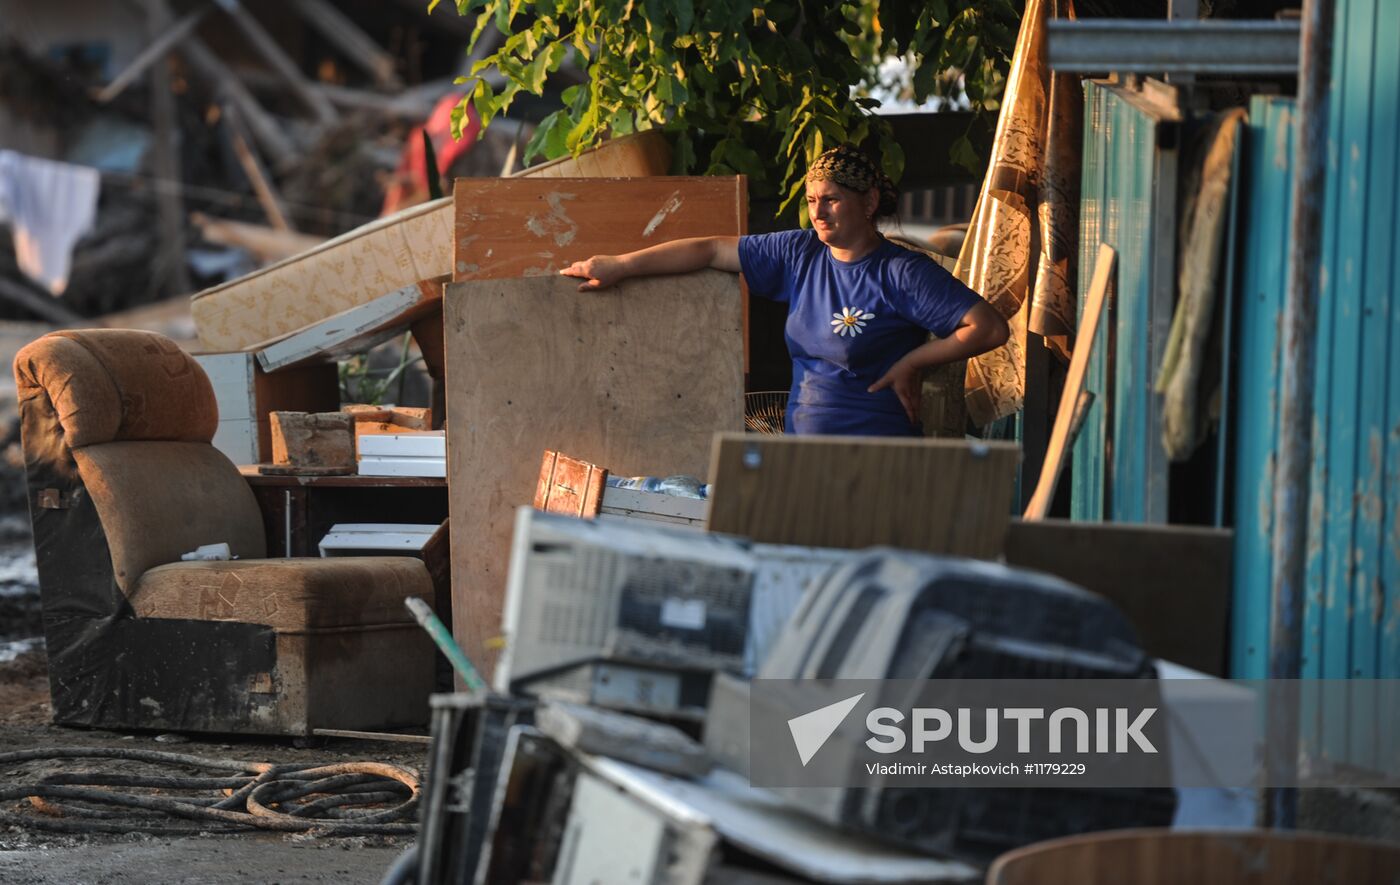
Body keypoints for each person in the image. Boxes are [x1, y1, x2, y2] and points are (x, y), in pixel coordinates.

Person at [561, 144, 1009, 436]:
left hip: (875, 456)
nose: (819, 211)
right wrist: (622, 265)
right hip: (800, 449)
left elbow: (987, 328)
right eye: (812, 200)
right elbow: (709, 250)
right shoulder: (800, 252)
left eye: (831, 199)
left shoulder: (900, 271)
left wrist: (912, 362)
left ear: (868, 202)